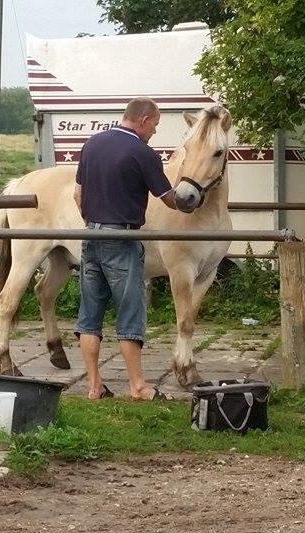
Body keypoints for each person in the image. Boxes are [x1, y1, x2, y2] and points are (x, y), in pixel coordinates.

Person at [74, 97, 178, 400]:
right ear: (144, 120)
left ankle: (94, 386)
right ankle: (138, 386)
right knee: (130, 312)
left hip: (90, 235)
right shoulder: (142, 153)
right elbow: (169, 198)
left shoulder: (92, 144)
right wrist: (191, 199)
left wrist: (93, 222)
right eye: (155, 126)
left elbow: (77, 194)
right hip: (122, 239)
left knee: (89, 314)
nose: (154, 132)